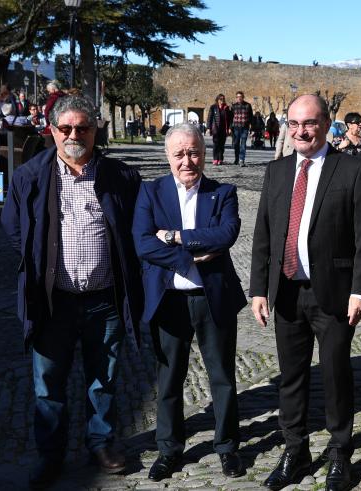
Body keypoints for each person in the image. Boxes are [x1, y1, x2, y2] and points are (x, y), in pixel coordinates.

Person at [0, 95, 144, 489]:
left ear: (96, 131)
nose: (75, 134)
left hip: (105, 300)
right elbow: (15, 230)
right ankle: (51, 455)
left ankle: (101, 442)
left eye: (84, 127)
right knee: (48, 385)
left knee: (105, 379)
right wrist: (42, 267)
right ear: (52, 130)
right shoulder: (29, 176)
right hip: (52, 300)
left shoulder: (121, 178)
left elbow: (134, 231)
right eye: (66, 128)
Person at [249, 94, 361, 491]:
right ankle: (296, 451)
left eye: (309, 123)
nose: (300, 131)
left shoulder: (352, 170)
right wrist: (258, 289)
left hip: (335, 294)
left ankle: (340, 453)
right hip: (286, 291)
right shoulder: (277, 171)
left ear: (326, 124)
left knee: (337, 376)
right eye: (293, 123)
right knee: (291, 377)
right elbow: (264, 235)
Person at [132, 123, 248, 481]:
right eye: (179, 154)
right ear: (168, 156)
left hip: (212, 298)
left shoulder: (222, 192)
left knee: (222, 378)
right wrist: (190, 256)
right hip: (169, 300)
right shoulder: (151, 193)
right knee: (169, 381)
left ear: (204, 152)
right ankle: (169, 449)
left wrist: (177, 237)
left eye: (194, 152)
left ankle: (227, 446)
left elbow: (226, 234)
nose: (187, 160)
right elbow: (143, 243)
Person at [229, 91, 253, 166]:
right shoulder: (234, 106)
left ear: (243, 97)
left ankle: (241, 159)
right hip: (236, 128)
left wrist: (251, 127)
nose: (239, 98)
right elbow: (231, 118)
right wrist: (230, 128)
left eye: (240, 97)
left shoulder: (248, 105)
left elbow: (251, 117)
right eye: (238, 97)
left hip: (245, 128)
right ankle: (236, 158)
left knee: (243, 144)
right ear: (236, 98)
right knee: (236, 144)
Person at [206, 94, 231, 166]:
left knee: (222, 145)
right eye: (220, 99)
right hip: (215, 128)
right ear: (217, 99)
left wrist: (229, 128)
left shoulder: (226, 108)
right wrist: (208, 128)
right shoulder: (213, 107)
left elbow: (229, 119)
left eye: (223, 99)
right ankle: (215, 159)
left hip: (223, 129)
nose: (222, 100)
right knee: (216, 144)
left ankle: (220, 159)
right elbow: (209, 118)